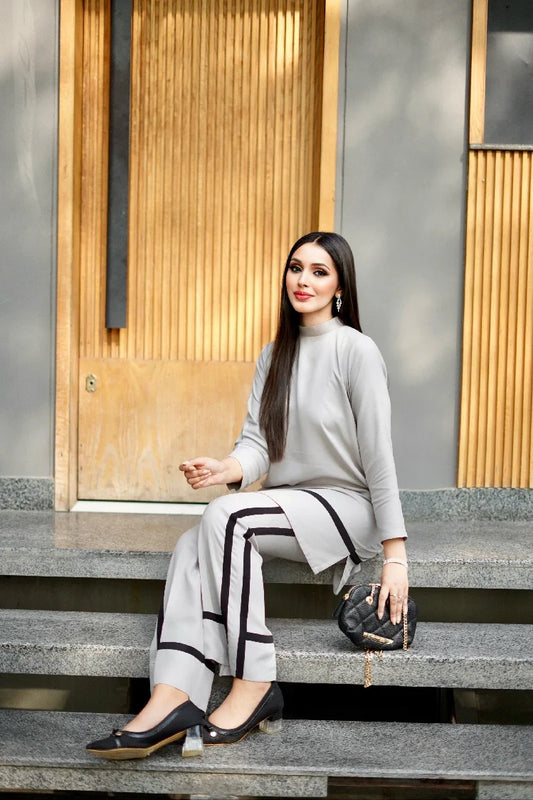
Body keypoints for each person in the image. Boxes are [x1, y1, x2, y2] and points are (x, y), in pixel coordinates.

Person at [86, 231, 408, 760]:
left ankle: (255, 680)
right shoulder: (274, 354)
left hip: (349, 506)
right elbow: (258, 444)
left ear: (340, 288)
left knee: (228, 518)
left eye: (319, 272)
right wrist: (227, 468)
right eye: (296, 267)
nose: (303, 280)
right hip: (291, 502)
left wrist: (396, 556)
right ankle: (172, 694)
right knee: (192, 542)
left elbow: (379, 456)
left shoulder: (357, 350)